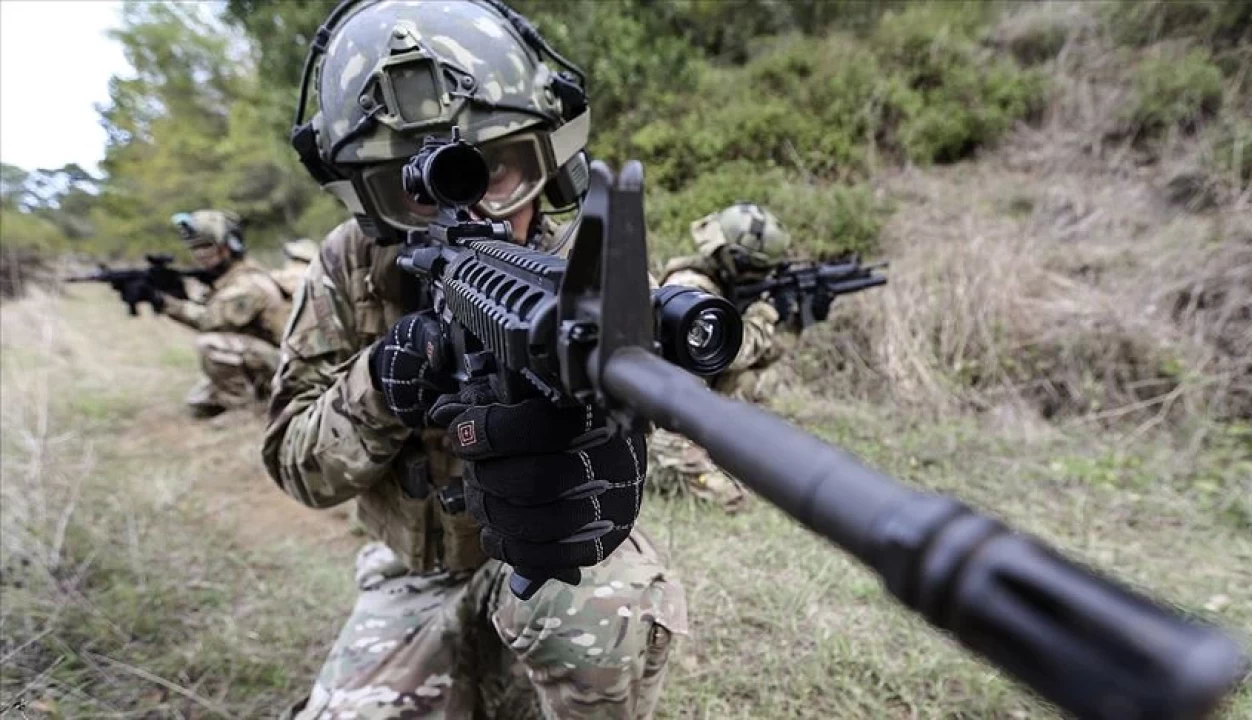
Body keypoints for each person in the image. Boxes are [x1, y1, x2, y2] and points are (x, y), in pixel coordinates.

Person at [260, 2, 685, 717]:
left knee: (600, 607)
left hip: (563, 543)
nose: (471, 209)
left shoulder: (572, 272)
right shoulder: (350, 265)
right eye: (410, 187)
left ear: (547, 161)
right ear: (367, 199)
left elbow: (662, 383)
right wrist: (379, 385)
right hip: (418, 574)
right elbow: (292, 462)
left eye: (495, 169)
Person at [648, 203, 795, 512]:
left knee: (755, 380)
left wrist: (795, 324)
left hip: (693, 403)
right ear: (736, 261)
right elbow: (733, 353)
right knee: (733, 500)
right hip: (663, 416)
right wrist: (765, 314)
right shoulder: (691, 287)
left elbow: (759, 359)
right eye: (759, 270)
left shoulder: (723, 284)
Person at [161, 209, 290, 418]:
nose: (200, 254)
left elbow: (208, 320)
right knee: (199, 404)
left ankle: (245, 409)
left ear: (229, 245)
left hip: (287, 367)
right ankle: (257, 396)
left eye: (207, 246)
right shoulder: (228, 278)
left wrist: (164, 302)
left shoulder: (248, 282)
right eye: (195, 247)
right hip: (268, 360)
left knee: (211, 344)